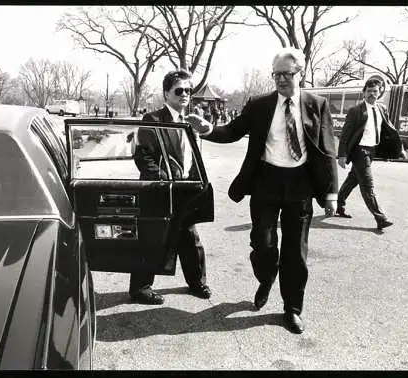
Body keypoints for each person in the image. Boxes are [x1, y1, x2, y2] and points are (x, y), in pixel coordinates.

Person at [186, 47, 338, 334]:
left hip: (301, 186)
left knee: (296, 253)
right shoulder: (259, 104)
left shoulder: (317, 104)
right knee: (263, 244)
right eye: (276, 74)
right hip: (266, 183)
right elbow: (232, 131)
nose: (281, 80)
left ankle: (292, 308)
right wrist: (207, 129)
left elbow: (327, 149)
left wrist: (331, 193)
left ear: (300, 73)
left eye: (287, 74)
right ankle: (267, 278)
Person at [130, 70, 212, 305]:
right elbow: (143, 157)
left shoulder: (192, 121)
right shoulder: (152, 120)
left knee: (190, 237)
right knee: (152, 238)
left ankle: (196, 282)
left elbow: (193, 156)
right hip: (160, 189)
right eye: (179, 90)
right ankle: (140, 288)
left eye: (188, 90)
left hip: (187, 189)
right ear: (166, 93)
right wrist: (164, 181)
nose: (185, 94)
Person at [336, 78, 406, 229]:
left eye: (375, 91)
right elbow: (345, 134)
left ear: (380, 92)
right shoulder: (355, 111)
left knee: (352, 180)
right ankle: (380, 218)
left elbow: (390, 130)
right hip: (359, 151)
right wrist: (342, 155)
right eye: (369, 91)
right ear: (363, 92)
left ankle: (338, 205)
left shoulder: (382, 109)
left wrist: (399, 148)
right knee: (367, 185)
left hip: (372, 150)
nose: (372, 94)